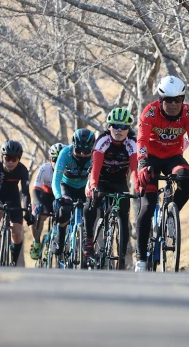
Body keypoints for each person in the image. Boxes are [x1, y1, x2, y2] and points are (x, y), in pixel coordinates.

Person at [134, 75, 189, 273]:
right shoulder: (150, 112)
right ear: (161, 99)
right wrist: (142, 164)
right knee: (147, 205)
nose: (174, 104)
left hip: (172, 157)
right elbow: (141, 140)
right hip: (150, 158)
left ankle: (171, 214)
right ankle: (141, 260)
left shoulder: (188, 113)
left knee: (185, 178)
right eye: (169, 100)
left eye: (178, 99)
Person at [84, 107, 138, 270]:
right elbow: (95, 168)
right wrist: (93, 186)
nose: (119, 130)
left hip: (119, 180)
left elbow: (135, 170)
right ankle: (88, 239)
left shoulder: (132, 143)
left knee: (123, 215)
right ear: (109, 127)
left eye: (123, 127)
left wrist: (138, 188)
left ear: (128, 129)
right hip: (100, 178)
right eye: (115, 126)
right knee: (91, 203)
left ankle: (121, 258)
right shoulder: (103, 141)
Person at [0, 139, 32, 266]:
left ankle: (14, 261)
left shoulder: (22, 170)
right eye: (7, 158)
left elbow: (25, 193)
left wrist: (28, 210)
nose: (10, 162)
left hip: (13, 197)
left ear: (19, 159)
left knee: (17, 231)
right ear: (2, 157)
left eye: (14, 159)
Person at [52, 129, 96, 264]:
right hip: (67, 186)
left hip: (84, 187)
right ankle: (60, 237)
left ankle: (87, 240)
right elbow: (56, 179)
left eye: (86, 151)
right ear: (73, 146)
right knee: (65, 210)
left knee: (91, 209)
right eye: (78, 150)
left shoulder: (95, 155)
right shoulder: (65, 153)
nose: (82, 154)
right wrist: (59, 197)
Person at [29, 143, 64, 262]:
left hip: (60, 197)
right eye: (55, 160)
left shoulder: (68, 170)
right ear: (50, 160)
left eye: (60, 160)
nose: (58, 163)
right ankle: (36, 242)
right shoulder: (45, 168)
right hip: (45, 197)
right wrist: (38, 204)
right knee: (36, 215)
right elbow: (36, 189)